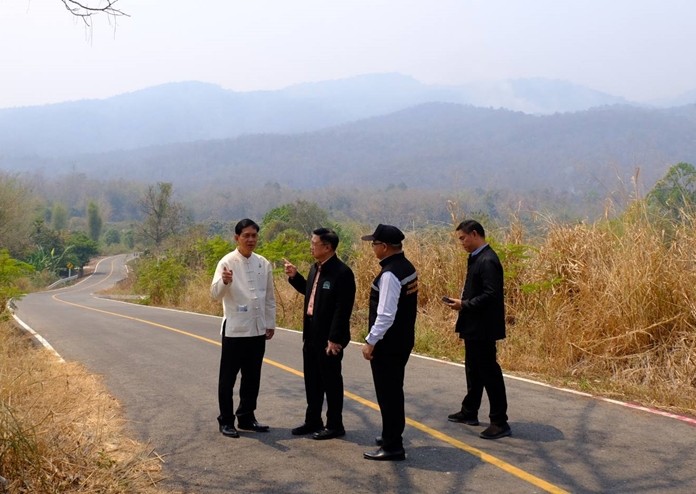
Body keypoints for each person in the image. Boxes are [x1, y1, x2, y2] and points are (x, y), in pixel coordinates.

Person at [283, 228, 356, 440]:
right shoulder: (316, 268)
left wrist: (335, 339)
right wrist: (296, 277)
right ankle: (313, 420)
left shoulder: (342, 273)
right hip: (311, 334)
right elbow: (311, 293)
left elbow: (343, 309)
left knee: (331, 381)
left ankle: (335, 424)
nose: (311, 245)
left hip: (328, 339)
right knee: (312, 380)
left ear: (327, 247)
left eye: (314, 243)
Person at [443, 219, 511, 439]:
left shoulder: (488, 260)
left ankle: (500, 422)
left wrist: (464, 305)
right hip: (474, 324)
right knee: (473, 369)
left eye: (463, 238)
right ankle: (469, 410)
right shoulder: (476, 258)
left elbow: (491, 295)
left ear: (474, 234)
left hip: (484, 327)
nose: (461, 243)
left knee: (489, 371)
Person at [210, 218, 276, 438]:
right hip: (235, 329)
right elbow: (214, 294)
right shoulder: (226, 262)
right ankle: (226, 421)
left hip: (257, 330)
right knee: (228, 378)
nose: (250, 239)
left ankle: (247, 417)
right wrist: (225, 282)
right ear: (236, 237)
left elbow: (269, 297)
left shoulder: (263, 263)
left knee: (252, 377)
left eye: (254, 235)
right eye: (246, 235)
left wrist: (270, 323)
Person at [360, 224, 418, 461]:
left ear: (384, 247)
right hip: (402, 340)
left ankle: (393, 445)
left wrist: (370, 341)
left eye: (374, 244)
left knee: (388, 394)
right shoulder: (407, 267)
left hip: (388, 344)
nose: (372, 248)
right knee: (394, 391)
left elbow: (385, 315)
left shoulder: (390, 274)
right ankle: (391, 434)